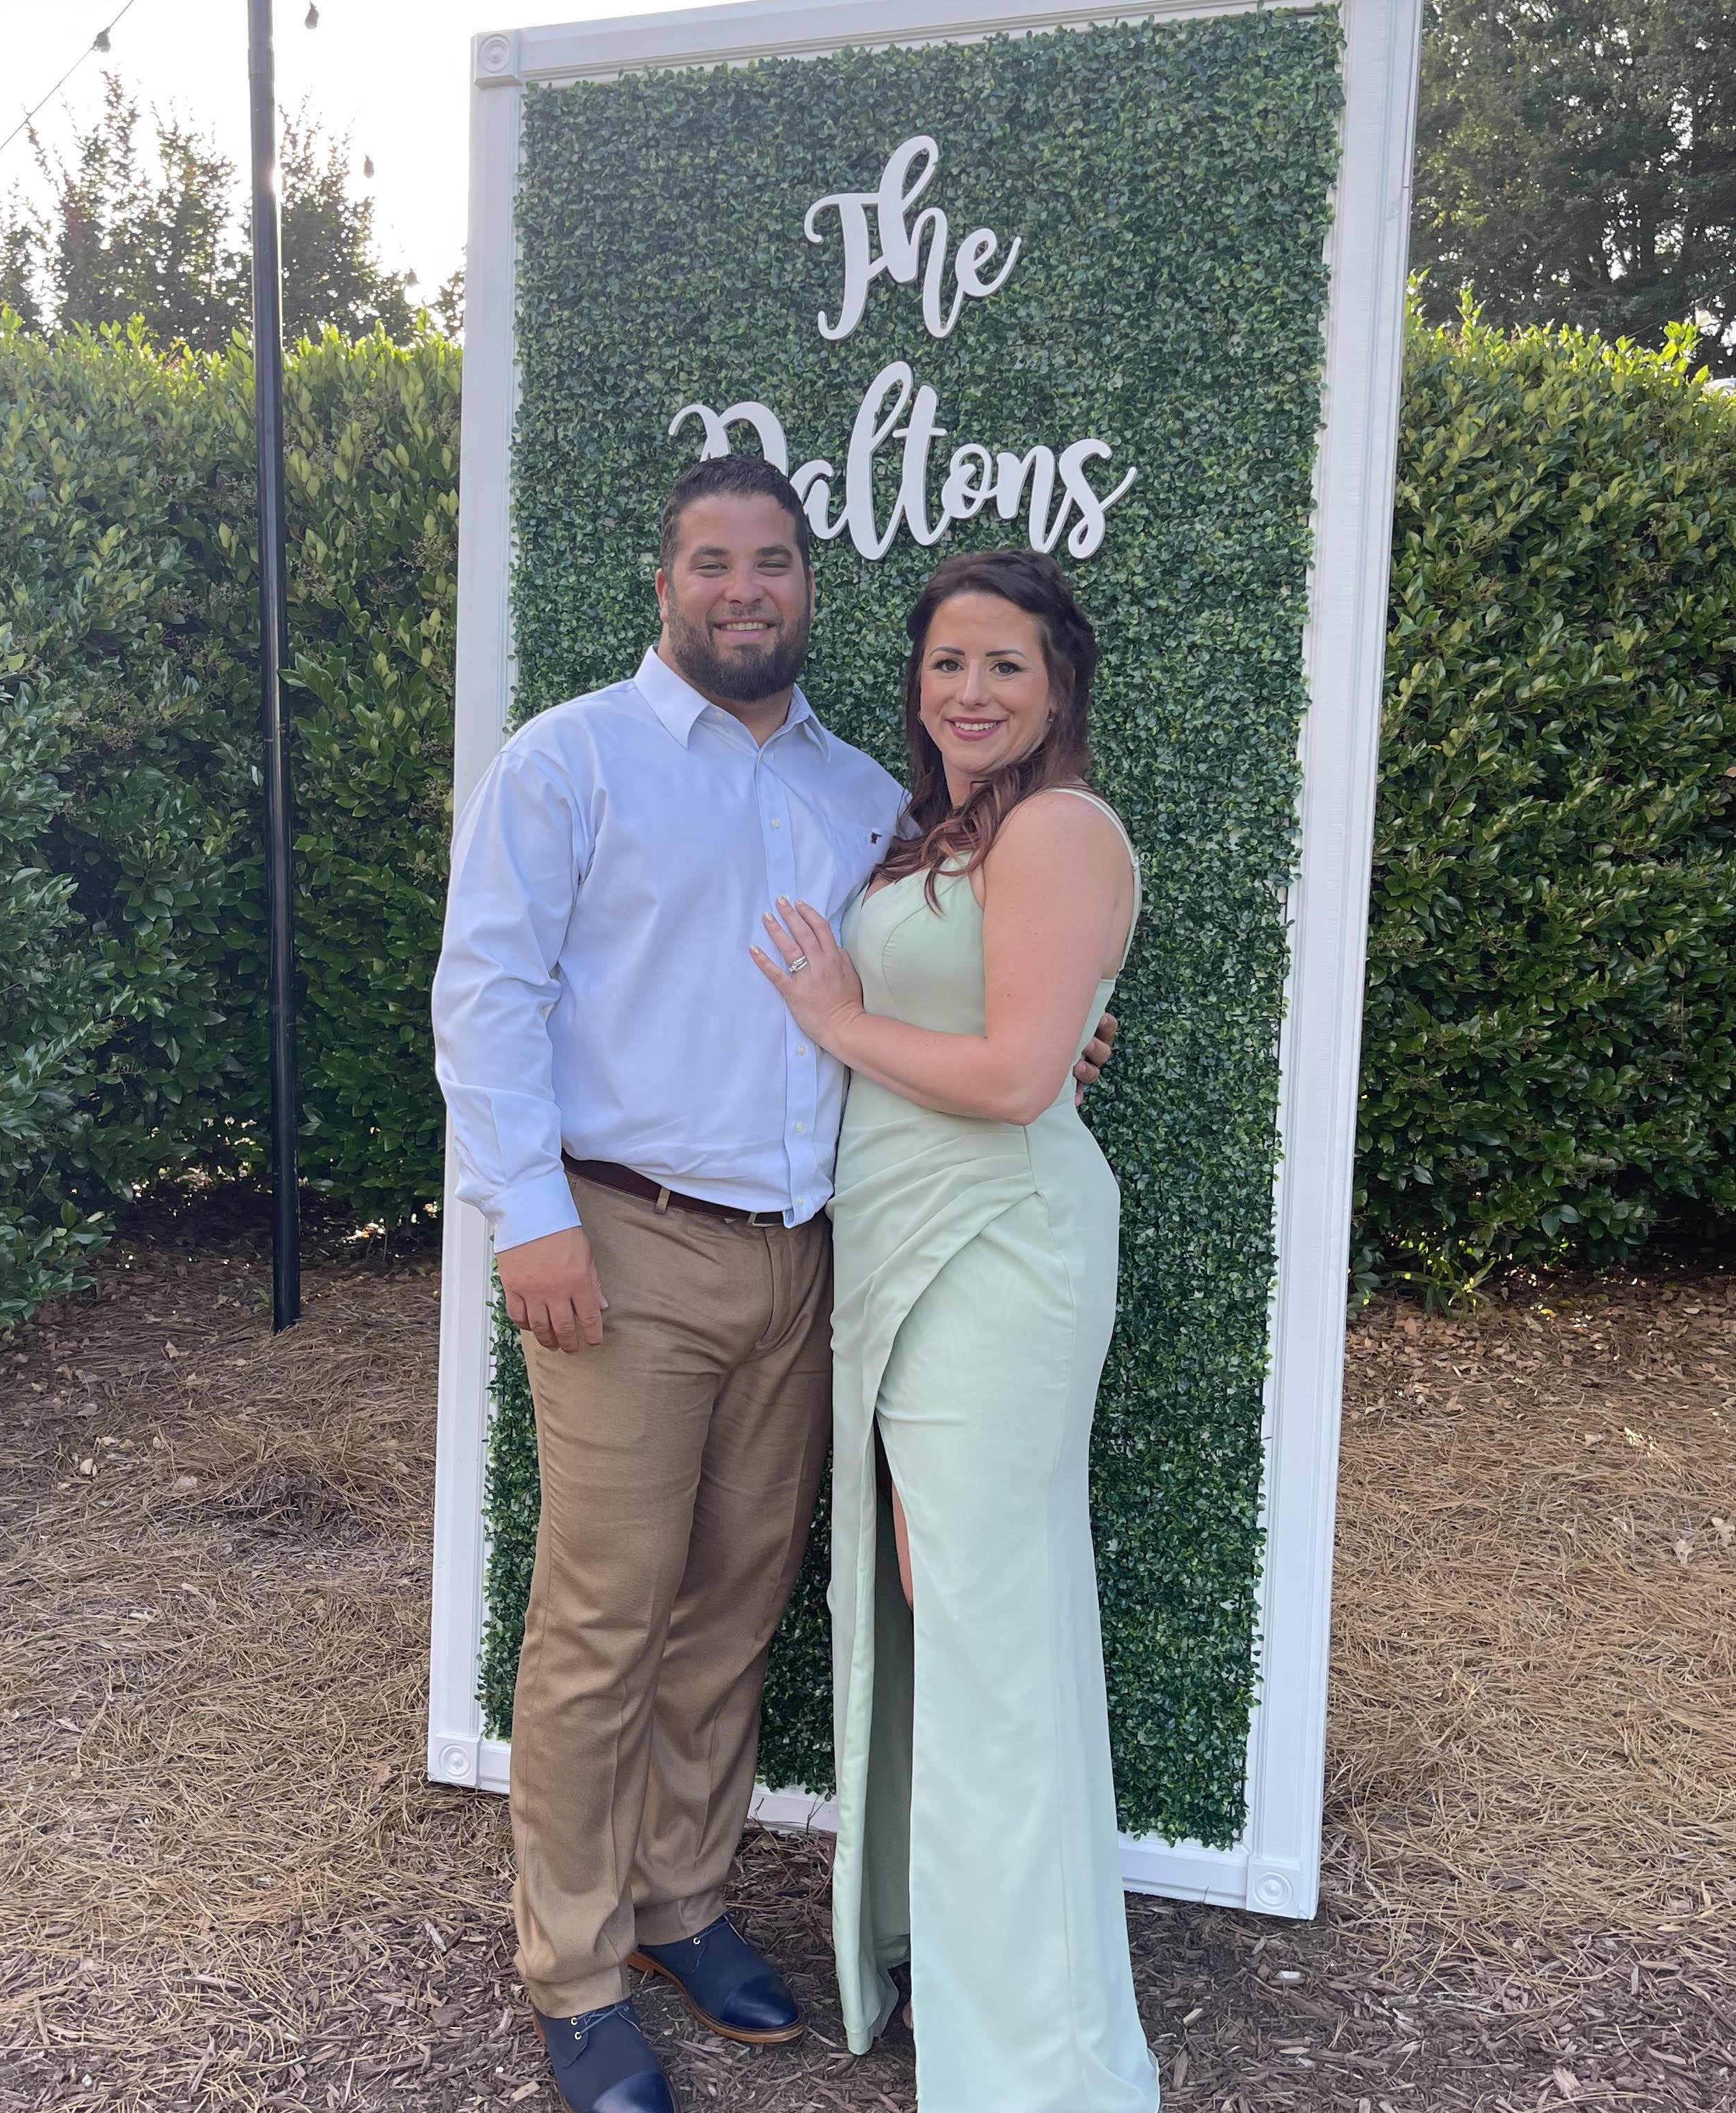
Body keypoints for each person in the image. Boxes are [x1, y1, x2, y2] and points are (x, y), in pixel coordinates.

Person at [432, 459, 1116, 2113]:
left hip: (815, 1257)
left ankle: (680, 1902)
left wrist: (1052, 1047)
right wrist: (530, 1216)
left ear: (809, 584)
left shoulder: (864, 794)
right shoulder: (570, 760)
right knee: (603, 1617)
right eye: (713, 562)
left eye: (775, 562)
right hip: (626, 1240)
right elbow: (489, 988)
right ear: (666, 583)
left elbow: (958, 980)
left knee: (735, 1607)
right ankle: (576, 1970)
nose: (746, 589)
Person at [752, 548, 1161, 2112]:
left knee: (992, 1625)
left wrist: (840, 1022)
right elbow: (1017, 1029)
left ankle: (1038, 2059)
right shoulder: (950, 834)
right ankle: (977, 1975)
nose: (971, 690)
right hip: (913, 1249)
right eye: (946, 662)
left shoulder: (1057, 826)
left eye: (1005, 664)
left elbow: (1011, 1078)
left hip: (996, 1249)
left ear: (1058, 688)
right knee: (950, 1610)